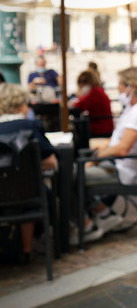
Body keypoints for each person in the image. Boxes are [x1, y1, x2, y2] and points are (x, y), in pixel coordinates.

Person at [78, 67, 137, 244]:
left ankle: (87, 224)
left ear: (132, 87)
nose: (118, 89)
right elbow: (116, 140)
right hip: (117, 165)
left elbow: (122, 148)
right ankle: (102, 213)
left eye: (120, 85)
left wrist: (95, 157)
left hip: (121, 170)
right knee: (71, 171)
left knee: (68, 176)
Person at [0, 83, 58, 264]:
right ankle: (27, 249)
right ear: (19, 105)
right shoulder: (29, 125)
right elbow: (51, 163)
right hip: (28, 195)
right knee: (33, 190)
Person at [68, 70, 114, 137]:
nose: (82, 84)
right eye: (80, 82)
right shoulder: (97, 90)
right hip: (100, 124)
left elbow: (81, 105)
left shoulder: (95, 92)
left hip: (100, 127)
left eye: (84, 81)